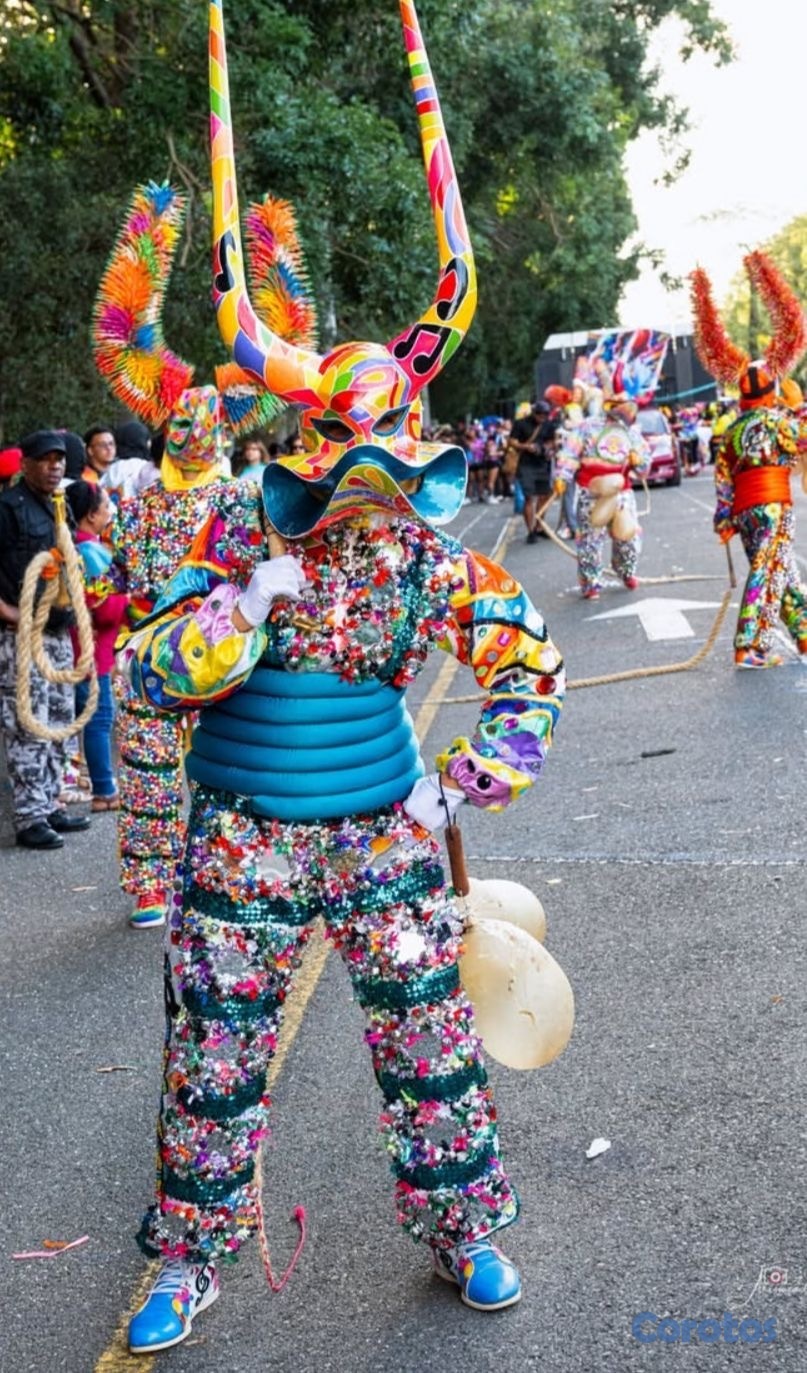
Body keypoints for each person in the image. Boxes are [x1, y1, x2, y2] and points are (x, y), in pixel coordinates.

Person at [123, 0, 565, 1353]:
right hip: (242, 841)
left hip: (382, 834)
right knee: (214, 1060)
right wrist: (238, 613)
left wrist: (459, 787)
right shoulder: (229, 531)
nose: (362, 465)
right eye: (338, 436)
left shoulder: (422, 559)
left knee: (427, 1041)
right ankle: (186, 1258)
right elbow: (150, 679)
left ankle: (460, 1228)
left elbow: (527, 668)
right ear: (297, 433)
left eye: (383, 436)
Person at [92, 179, 311, 929]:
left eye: (206, 417)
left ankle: (243, 870)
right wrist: (148, 230)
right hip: (154, 657)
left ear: (225, 427)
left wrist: (271, 245)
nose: (192, 425)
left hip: (225, 650)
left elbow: (287, 346)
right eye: (179, 417)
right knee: (150, 772)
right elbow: (113, 580)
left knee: (237, 762)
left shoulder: (246, 498)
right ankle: (151, 882)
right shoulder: (141, 503)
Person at [690, 253, 807, 668]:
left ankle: (805, 634)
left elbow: (722, 477)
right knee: (769, 569)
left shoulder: (732, 430)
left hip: (744, 512)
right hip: (774, 507)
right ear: (773, 390)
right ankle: (750, 645)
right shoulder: (779, 421)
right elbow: (803, 439)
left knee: (781, 570)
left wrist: (724, 517)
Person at [0, 430, 91, 848]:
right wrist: (10, 613)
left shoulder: (59, 506)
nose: (55, 465)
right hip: (20, 635)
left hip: (57, 631)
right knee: (28, 724)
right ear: (26, 464)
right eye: (46, 458)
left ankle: (50, 804)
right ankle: (29, 816)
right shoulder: (7, 508)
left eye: (60, 459)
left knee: (58, 721)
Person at [65, 481, 129, 810]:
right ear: (91, 514)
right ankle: (104, 790)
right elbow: (103, 609)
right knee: (99, 718)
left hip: (76, 649)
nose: (110, 511)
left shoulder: (73, 545)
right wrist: (128, 598)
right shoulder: (90, 552)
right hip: (92, 652)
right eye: (106, 505)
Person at [555, 397, 650, 599]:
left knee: (628, 537)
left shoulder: (632, 432)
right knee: (590, 539)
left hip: (621, 492)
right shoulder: (586, 427)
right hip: (591, 491)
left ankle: (626, 571)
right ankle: (590, 582)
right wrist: (562, 475)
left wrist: (639, 460)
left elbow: (644, 465)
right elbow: (570, 452)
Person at [509, 400, 556, 543]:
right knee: (529, 497)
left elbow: (552, 440)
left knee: (545, 495)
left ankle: (539, 526)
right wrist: (526, 446)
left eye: (545, 415)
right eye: (540, 414)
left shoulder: (548, 424)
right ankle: (530, 531)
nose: (543, 417)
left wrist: (547, 448)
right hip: (526, 464)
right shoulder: (521, 423)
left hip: (542, 463)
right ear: (534, 412)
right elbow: (512, 441)